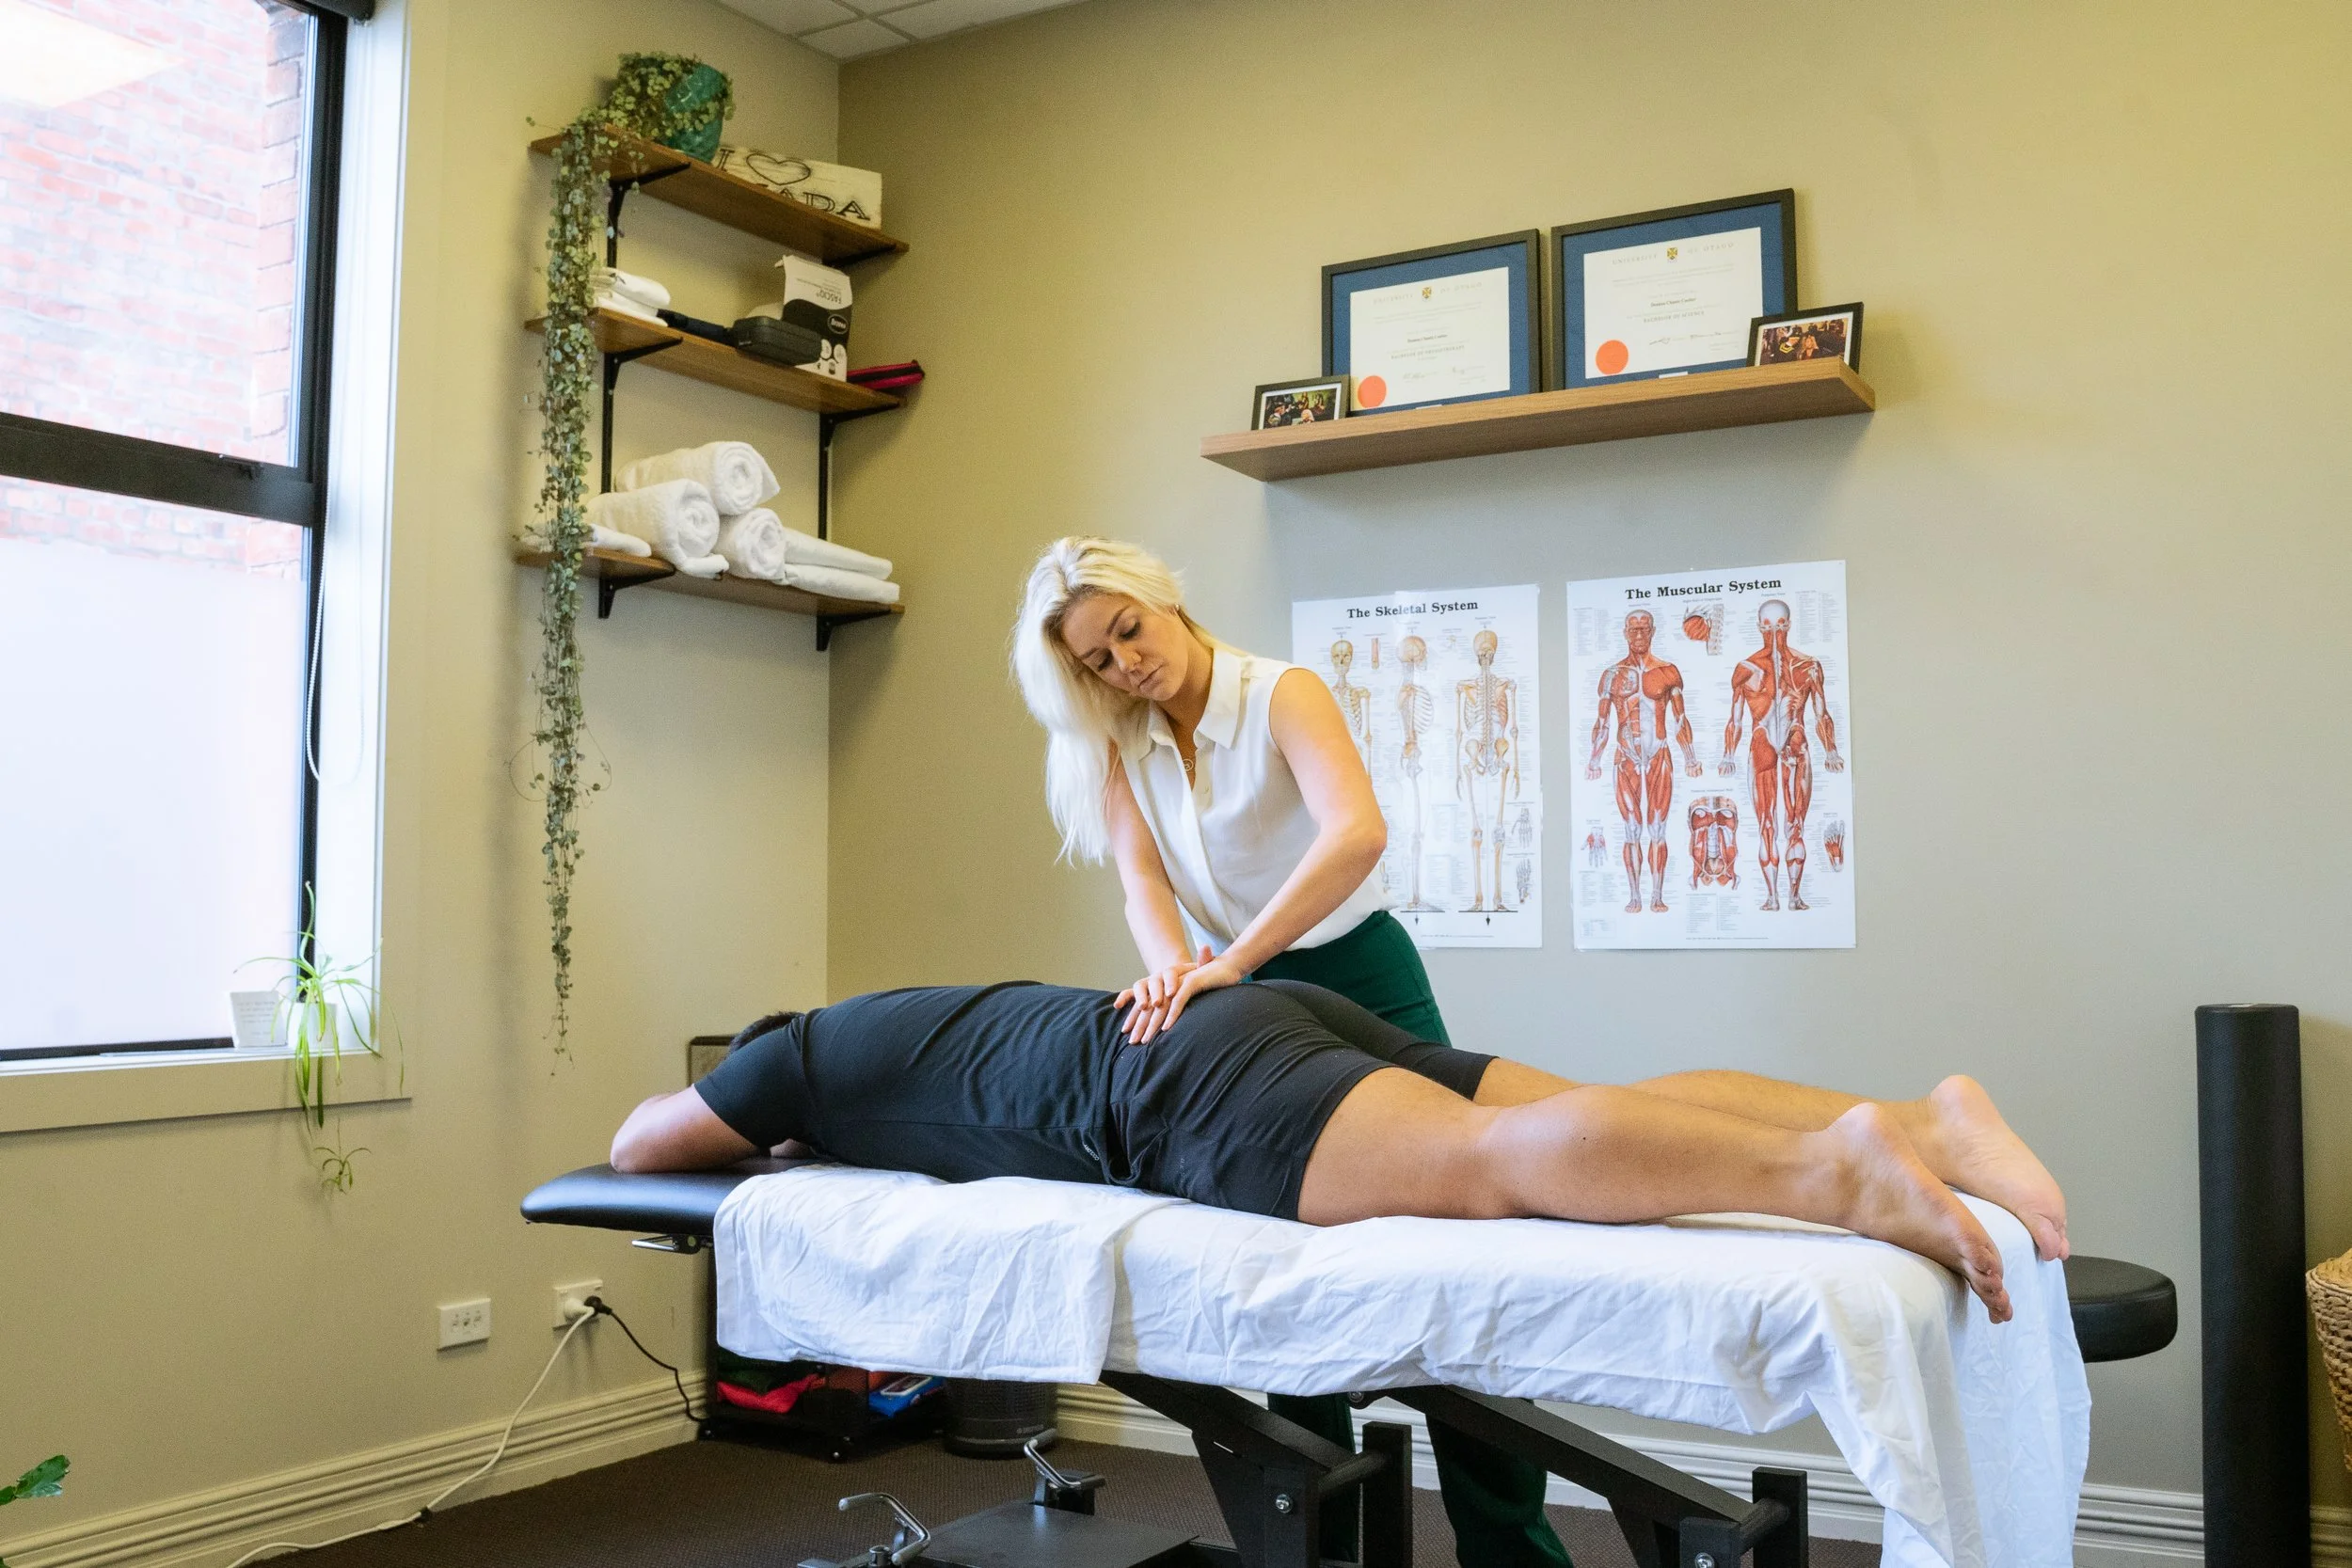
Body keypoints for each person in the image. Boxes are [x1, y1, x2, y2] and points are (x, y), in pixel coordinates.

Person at [1007, 537, 1557, 1563]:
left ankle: (1512, 1545)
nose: (1125, 663)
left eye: (1128, 630)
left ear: (1163, 599)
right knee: (1284, 1261)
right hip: (1236, 992)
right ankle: (1322, 1545)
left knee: (1450, 1236)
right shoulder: (1118, 742)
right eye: (1096, 659)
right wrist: (1176, 972)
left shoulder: (1282, 693)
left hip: (1356, 968)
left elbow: (1355, 833)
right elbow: (1141, 879)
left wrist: (1235, 960)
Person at [609, 978, 2072, 1333]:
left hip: (1176, 1085)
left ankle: (1838, 1175)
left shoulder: (787, 1052)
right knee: (1585, 1101)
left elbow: (639, 1146)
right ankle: (1926, 1120)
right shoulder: (921, 1015)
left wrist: (771, 1116)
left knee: (1498, 1158)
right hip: (1248, 1011)